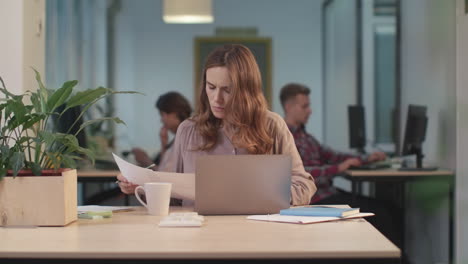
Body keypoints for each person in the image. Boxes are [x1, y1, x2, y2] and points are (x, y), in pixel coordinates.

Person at [119, 44, 317, 206]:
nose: (217, 99)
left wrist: (261, 193)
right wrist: (142, 185)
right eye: (211, 87)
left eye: (227, 90)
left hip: (257, 234)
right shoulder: (188, 130)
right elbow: (172, 196)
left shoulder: (272, 125)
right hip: (197, 236)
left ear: (246, 90)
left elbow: (304, 186)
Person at [280, 82, 400, 244]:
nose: (310, 111)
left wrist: (365, 159)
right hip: (315, 200)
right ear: (289, 107)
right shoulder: (285, 137)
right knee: (382, 212)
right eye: (305, 106)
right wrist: (338, 168)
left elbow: (332, 155)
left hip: (328, 193)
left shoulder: (306, 137)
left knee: (389, 207)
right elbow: (302, 173)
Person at [119, 91, 192, 194]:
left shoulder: (186, 138)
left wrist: (146, 161)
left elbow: (164, 177)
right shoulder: (177, 139)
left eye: (163, 114)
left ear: (175, 113)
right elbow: (164, 168)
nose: (162, 120)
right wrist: (163, 144)